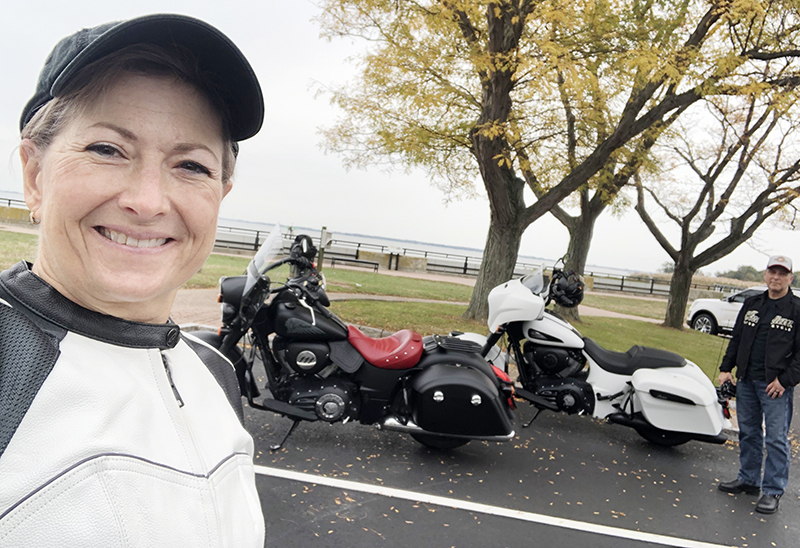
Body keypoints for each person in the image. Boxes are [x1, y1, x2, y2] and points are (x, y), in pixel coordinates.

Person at [0, 14, 266, 546]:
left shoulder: (214, 373)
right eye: (107, 149)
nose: (146, 201)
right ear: (35, 175)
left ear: (220, 194)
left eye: (190, 165)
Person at [717, 255, 800, 515]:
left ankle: (773, 491)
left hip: (775, 385)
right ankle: (749, 479)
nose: (776, 277)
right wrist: (725, 368)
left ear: (790, 278)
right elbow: (737, 338)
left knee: (775, 439)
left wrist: (785, 380)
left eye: (781, 273)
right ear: (765, 275)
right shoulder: (753, 304)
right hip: (746, 381)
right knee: (749, 433)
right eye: (772, 272)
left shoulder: (796, 309)